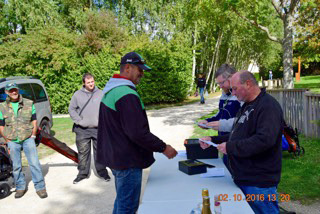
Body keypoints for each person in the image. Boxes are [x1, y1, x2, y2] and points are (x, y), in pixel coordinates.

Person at [97, 52, 178, 214]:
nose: (142, 73)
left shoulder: (112, 89)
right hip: (127, 161)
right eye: (139, 69)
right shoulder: (126, 94)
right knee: (127, 207)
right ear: (127, 68)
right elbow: (137, 133)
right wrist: (163, 147)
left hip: (117, 158)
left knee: (121, 201)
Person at [200, 71, 284, 214]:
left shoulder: (268, 106)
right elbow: (237, 134)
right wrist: (213, 139)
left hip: (259, 183)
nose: (232, 93)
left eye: (235, 88)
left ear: (248, 84)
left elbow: (264, 140)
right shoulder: (246, 105)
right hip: (244, 178)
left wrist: (231, 147)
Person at [0, 83, 47, 199]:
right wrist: (7, 140)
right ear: (7, 92)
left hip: (28, 138)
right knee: (16, 166)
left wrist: (33, 135)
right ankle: (20, 187)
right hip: (12, 140)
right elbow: (1, 126)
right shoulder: (2, 107)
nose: (14, 92)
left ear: (18, 90)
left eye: (15, 90)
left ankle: (40, 187)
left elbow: (34, 121)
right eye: (11, 91)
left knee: (34, 163)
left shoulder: (29, 103)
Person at [69, 73, 110, 184]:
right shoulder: (77, 95)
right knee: (83, 152)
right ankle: (82, 173)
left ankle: (102, 172)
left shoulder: (101, 93)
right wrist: (79, 121)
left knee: (100, 152)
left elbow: (106, 108)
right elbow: (71, 109)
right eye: (88, 82)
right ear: (84, 83)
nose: (91, 84)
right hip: (82, 130)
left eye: (92, 81)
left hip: (98, 129)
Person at [198, 64, 241, 165]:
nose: (220, 86)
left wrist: (221, 124)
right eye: (218, 84)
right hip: (223, 140)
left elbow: (244, 121)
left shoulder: (240, 95)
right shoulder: (224, 94)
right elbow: (220, 114)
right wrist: (207, 122)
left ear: (232, 78)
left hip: (236, 141)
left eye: (222, 83)